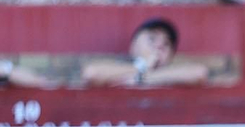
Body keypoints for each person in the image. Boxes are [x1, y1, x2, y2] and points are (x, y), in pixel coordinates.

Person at [81, 18, 209, 88]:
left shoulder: (174, 71)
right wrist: (142, 66)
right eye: (152, 39)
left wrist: (141, 78)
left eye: (167, 44)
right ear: (133, 46)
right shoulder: (119, 67)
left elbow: (199, 73)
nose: (159, 46)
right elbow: (92, 73)